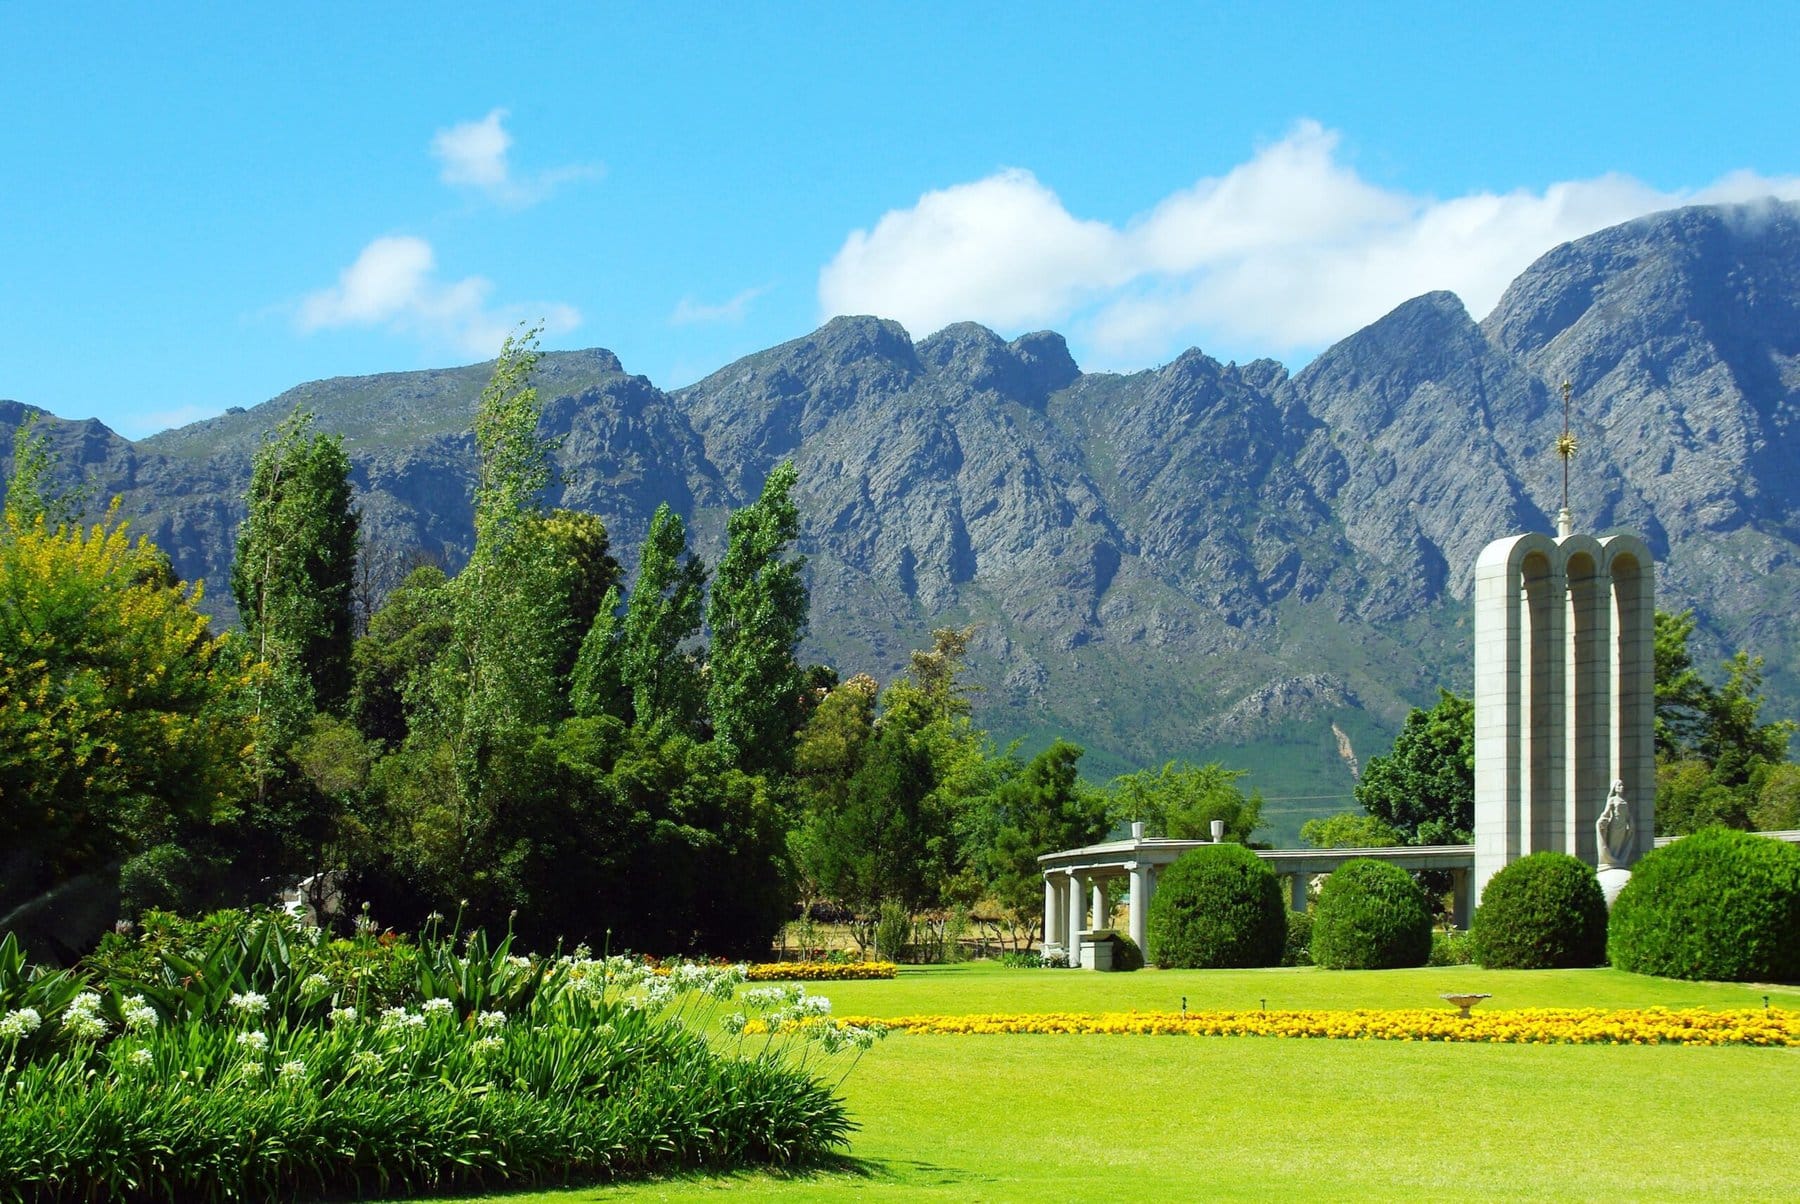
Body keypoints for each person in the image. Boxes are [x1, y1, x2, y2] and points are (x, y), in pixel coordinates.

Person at [1597, 779, 1632, 868]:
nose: (1621, 787)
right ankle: (1612, 862)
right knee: (1613, 844)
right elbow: (1606, 812)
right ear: (1614, 788)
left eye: (1622, 785)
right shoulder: (1612, 800)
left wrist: (1631, 824)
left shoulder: (1625, 800)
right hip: (1615, 825)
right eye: (1619, 785)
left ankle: (1618, 861)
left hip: (1623, 826)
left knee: (1620, 844)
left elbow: (1628, 815)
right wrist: (1601, 820)